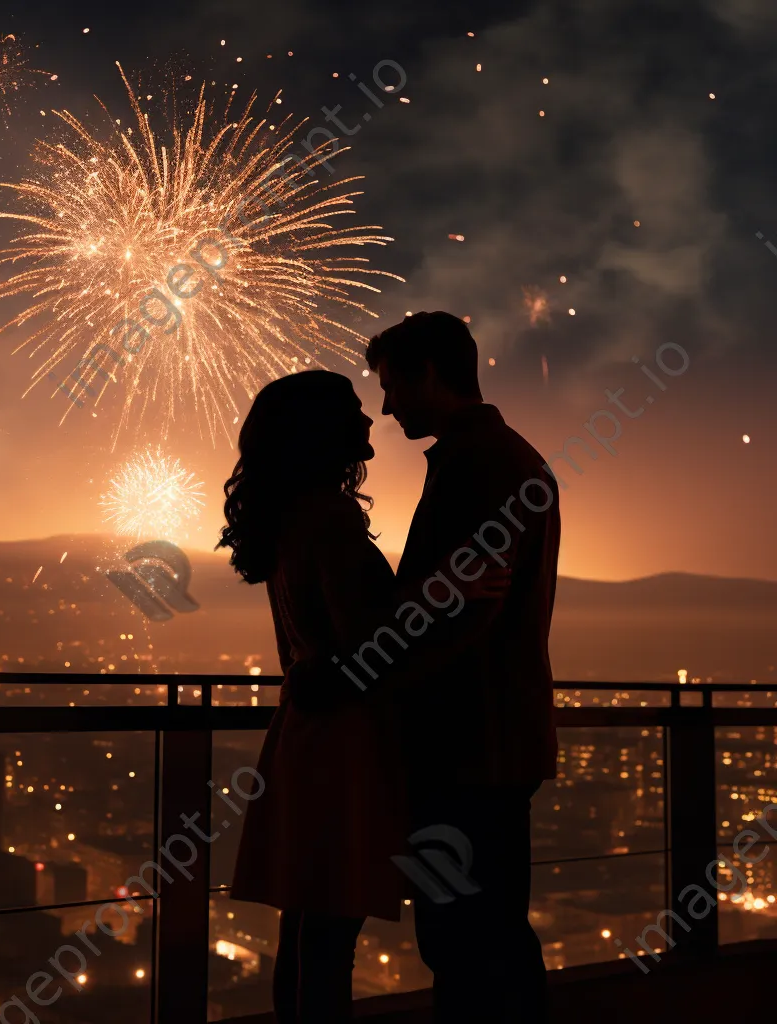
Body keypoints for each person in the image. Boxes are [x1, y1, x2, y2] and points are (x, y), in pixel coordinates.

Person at [217, 370, 507, 1023]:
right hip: (345, 748)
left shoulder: (290, 515)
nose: (369, 418)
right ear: (321, 431)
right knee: (329, 933)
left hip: (306, 738)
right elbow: (375, 640)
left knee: (307, 927)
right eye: (351, 410)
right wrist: (448, 593)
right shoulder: (327, 517)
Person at [358, 311, 561, 1022]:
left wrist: (384, 681)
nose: (385, 407)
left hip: (465, 742)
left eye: (392, 387)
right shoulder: (503, 457)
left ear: (431, 375)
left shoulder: (478, 465)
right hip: (493, 739)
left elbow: (461, 615)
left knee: (464, 936)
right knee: (490, 930)